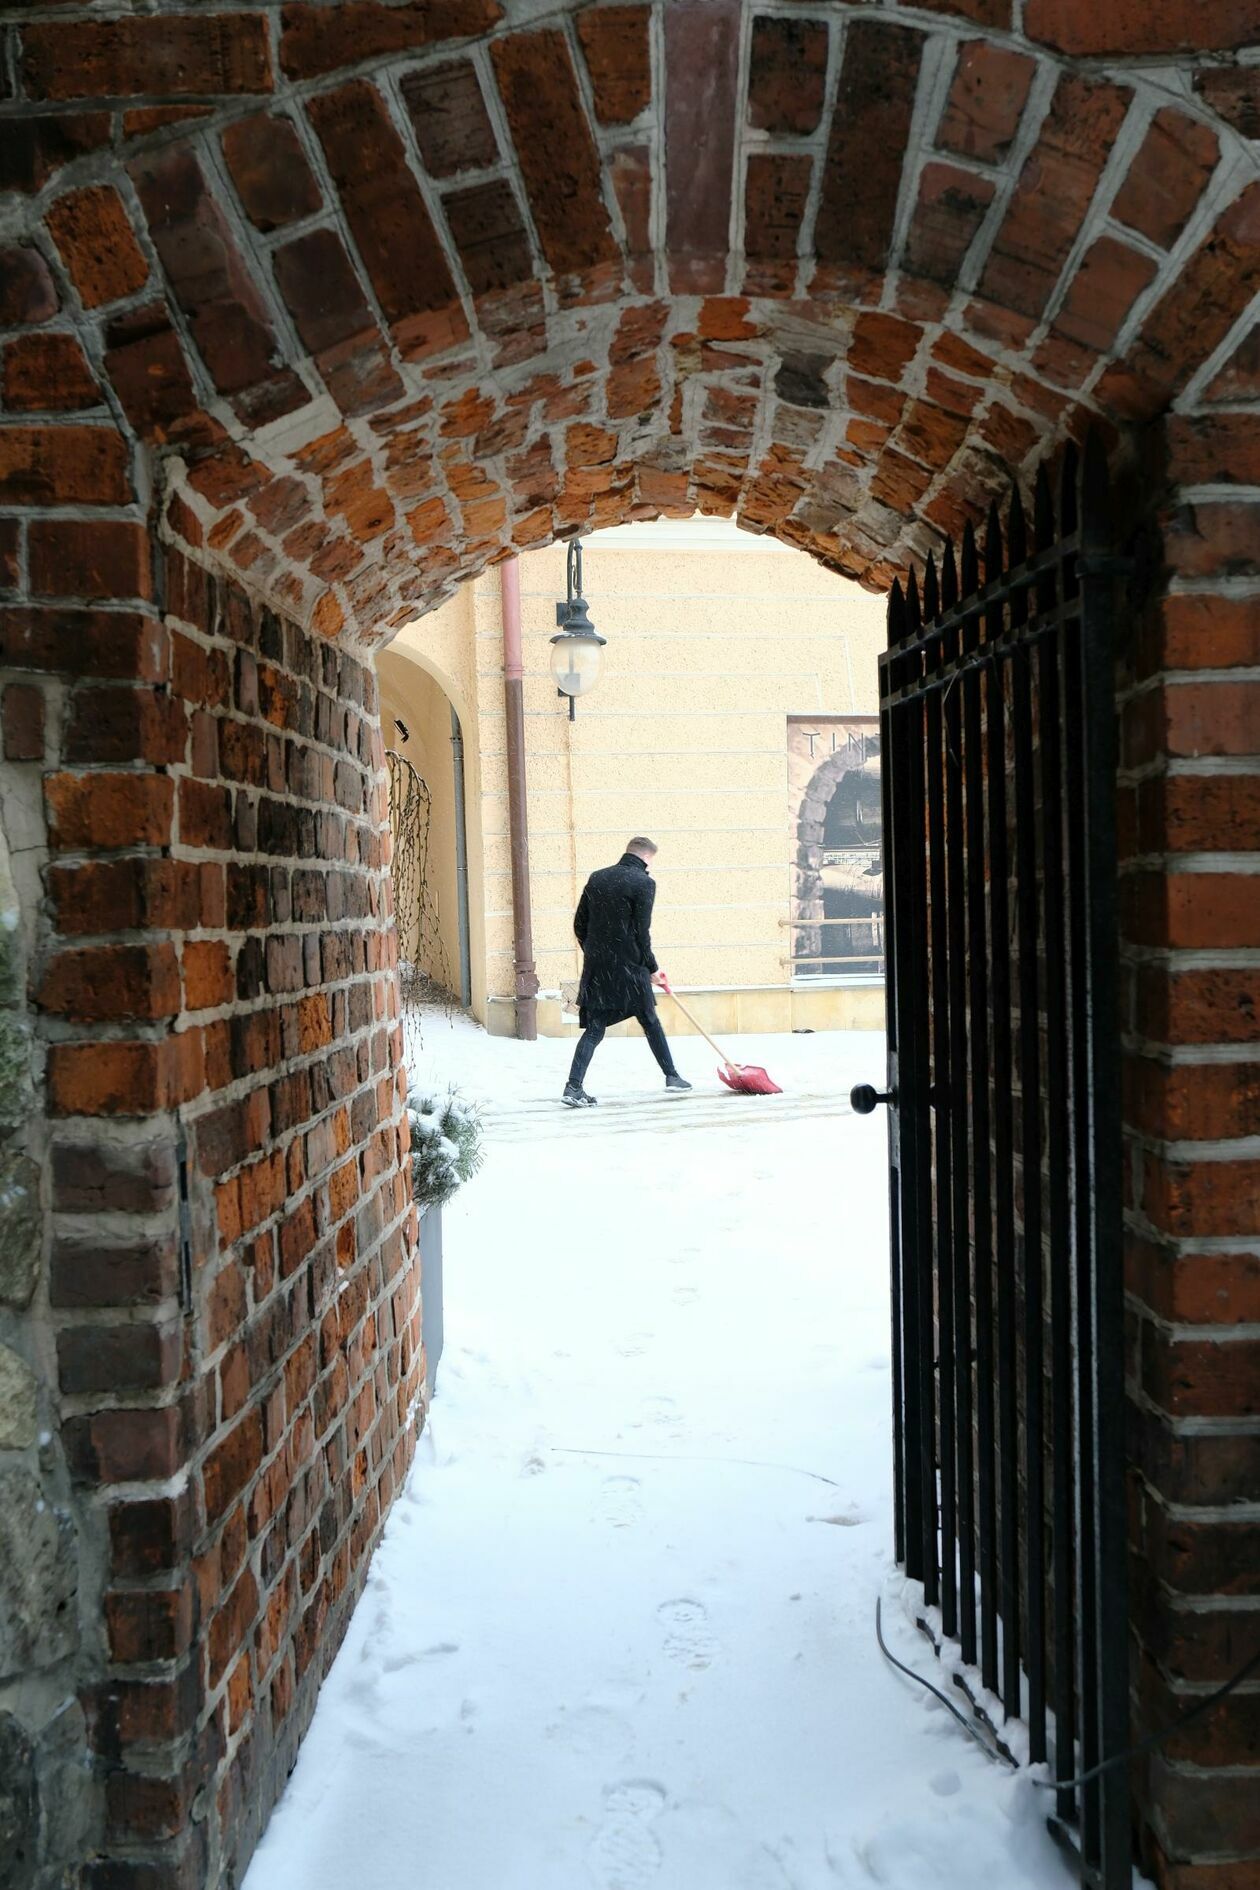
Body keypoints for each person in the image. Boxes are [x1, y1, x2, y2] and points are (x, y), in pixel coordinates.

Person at [562, 837, 692, 1107]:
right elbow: (641, 933)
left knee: (595, 1029)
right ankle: (672, 1076)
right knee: (649, 1020)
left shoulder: (598, 878)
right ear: (646, 857)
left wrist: (595, 951)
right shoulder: (644, 883)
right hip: (631, 969)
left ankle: (573, 1087)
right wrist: (652, 968)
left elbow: (579, 923)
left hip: (599, 968)